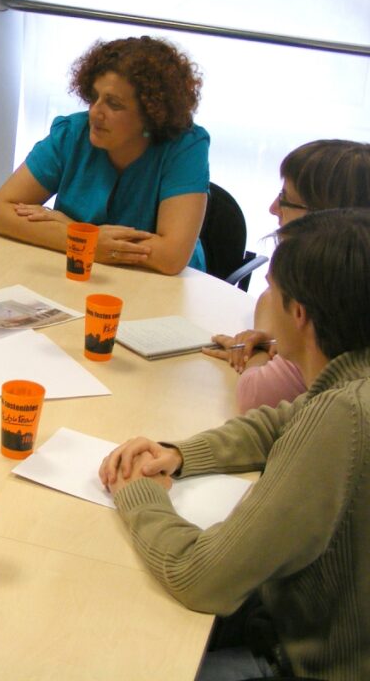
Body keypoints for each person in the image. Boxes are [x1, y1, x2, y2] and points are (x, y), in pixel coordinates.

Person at [98, 208, 370, 681]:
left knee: (124, 645)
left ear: (299, 314)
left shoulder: (342, 417)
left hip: (307, 661)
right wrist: (180, 454)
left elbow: (199, 577)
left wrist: (138, 494)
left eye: (272, 290)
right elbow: (284, 420)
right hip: (308, 623)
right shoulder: (352, 381)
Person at [0, 35, 209, 275]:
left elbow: (171, 256)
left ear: (152, 113)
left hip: (162, 283)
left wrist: (75, 231)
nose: (95, 112)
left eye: (114, 104)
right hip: (81, 273)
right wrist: (81, 239)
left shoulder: (185, 147)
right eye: (94, 97)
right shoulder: (72, 133)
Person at [203, 140, 370, 411]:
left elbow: (255, 396)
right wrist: (272, 334)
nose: (273, 208)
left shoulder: (328, 305)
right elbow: (270, 297)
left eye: (285, 198)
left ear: (321, 216)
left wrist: (259, 350)